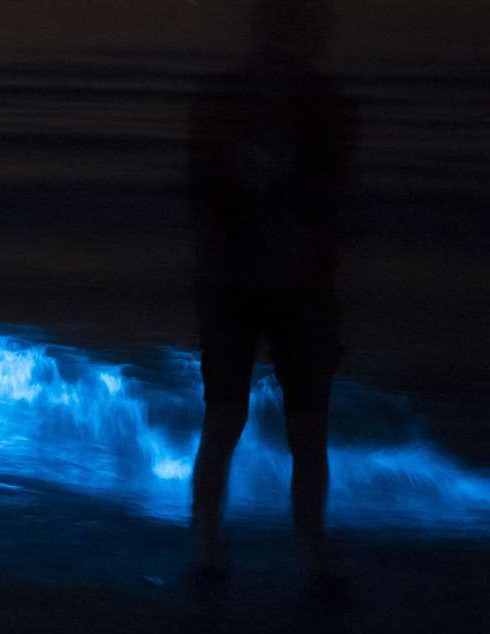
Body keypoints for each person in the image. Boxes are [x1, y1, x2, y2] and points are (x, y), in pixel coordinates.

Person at [187, 0, 357, 596]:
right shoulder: (233, 101)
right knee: (234, 421)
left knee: (296, 430)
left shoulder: (322, 106)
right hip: (244, 288)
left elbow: (329, 212)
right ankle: (215, 546)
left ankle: (299, 554)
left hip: (286, 290)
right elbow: (205, 200)